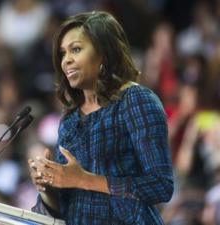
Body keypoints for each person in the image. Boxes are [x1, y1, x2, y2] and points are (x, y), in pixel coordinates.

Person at [28, 11, 174, 224]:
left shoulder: (135, 100)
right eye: (62, 53)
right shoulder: (69, 120)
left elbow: (161, 185)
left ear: (104, 53)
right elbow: (64, 205)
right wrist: (49, 186)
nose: (66, 60)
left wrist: (85, 180)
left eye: (76, 49)